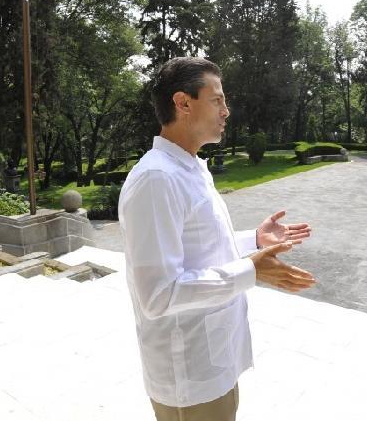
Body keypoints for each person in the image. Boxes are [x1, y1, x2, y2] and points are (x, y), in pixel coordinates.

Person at [119, 56, 316, 421]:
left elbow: (201, 251)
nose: (227, 110)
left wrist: (254, 241)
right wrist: (250, 272)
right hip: (189, 375)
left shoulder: (189, 167)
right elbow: (157, 295)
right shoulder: (156, 179)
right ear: (183, 103)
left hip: (213, 361)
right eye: (218, 100)